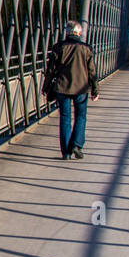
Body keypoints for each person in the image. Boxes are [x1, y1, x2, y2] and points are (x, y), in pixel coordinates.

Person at [42, 20, 98, 160]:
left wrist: (46, 87)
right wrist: (95, 90)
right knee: (81, 116)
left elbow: (50, 70)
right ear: (79, 33)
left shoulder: (58, 47)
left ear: (66, 32)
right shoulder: (86, 48)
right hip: (81, 88)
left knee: (65, 118)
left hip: (62, 88)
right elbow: (92, 71)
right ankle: (76, 144)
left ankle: (66, 152)